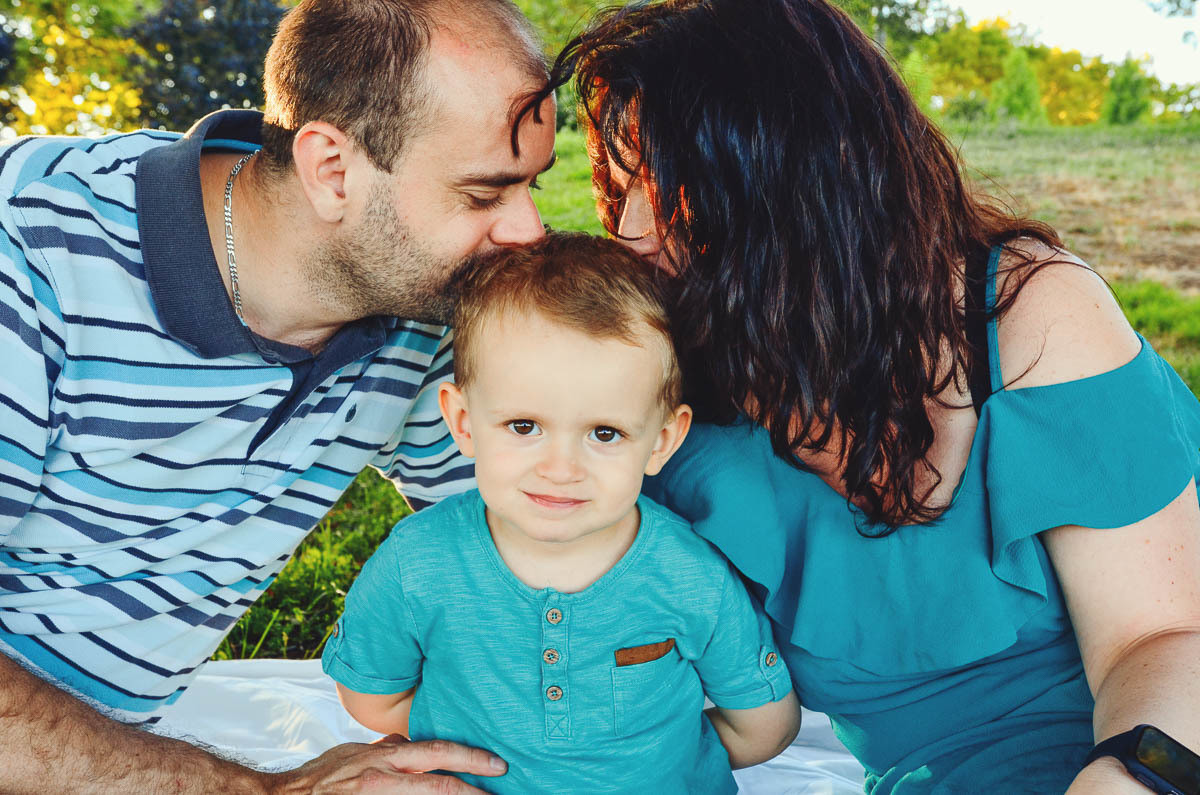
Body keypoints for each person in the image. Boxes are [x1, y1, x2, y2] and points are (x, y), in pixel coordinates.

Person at [529, 0, 1200, 792]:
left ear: (801, 184)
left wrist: (1123, 780)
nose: (630, 228)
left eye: (669, 185)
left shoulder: (1027, 315)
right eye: (618, 187)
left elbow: (1160, 638)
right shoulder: (669, 395)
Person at [0, 0, 555, 790]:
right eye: (483, 194)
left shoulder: (422, 304)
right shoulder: (33, 252)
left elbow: (542, 535)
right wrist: (257, 788)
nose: (529, 231)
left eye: (532, 184)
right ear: (331, 169)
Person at [321, 232, 802, 793]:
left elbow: (765, 724)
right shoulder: (415, 565)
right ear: (463, 422)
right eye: (524, 426)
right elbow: (372, 696)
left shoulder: (694, 577)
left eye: (604, 433)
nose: (561, 467)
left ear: (662, 441)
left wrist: (670, 763)